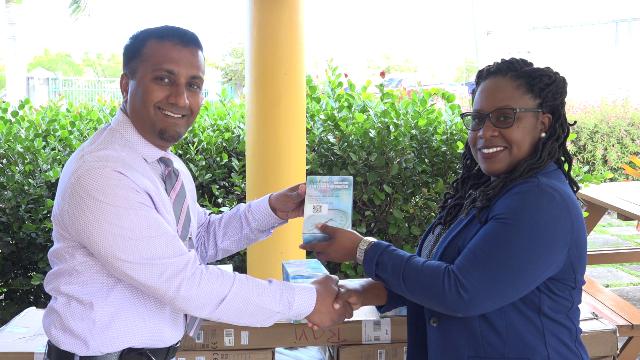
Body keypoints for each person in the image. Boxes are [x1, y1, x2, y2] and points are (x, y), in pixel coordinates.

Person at [42, 25, 350, 359]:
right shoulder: (102, 173)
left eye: (194, 85)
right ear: (125, 85)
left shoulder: (163, 164)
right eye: (164, 79)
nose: (181, 99)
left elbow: (198, 240)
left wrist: (273, 209)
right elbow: (183, 282)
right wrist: (306, 300)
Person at [302, 58, 589, 359]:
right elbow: (444, 273)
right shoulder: (491, 189)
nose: (485, 132)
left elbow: (462, 291)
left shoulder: (542, 201)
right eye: (478, 119)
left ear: (542, 124)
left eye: (504, 117)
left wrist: (363, 249)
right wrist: (365, 292)